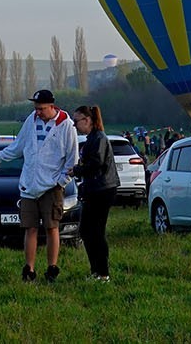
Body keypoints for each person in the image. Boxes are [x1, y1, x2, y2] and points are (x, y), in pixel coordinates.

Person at [0, 89, 78, 282]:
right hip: (29, 185)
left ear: (52, 106)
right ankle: (30, 269)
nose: (38, 112)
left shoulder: (66, 126)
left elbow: (72, 159)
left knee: (52, 228)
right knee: (30, 228)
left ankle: (52, 268)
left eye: (42, 108)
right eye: (36, 108)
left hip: (52, 186)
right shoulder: (31, 120)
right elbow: (18, 146)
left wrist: (61, 181)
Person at [71, 105, 118, 282]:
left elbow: (96, 164)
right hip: (96, 188)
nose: (75, 125)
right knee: (87, 230)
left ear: (87, 120)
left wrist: (77, 170)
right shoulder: (93, 137)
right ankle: (96, 271)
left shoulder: (98, 138)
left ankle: (103, 272)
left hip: (102, 189)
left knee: (95, 231)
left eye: (76, 121)